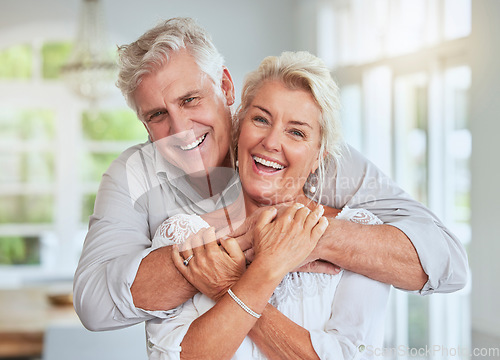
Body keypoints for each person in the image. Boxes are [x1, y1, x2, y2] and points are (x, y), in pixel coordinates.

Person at [73, 17, 468, 332]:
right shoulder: (132, 174)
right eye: (157, 115)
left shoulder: (308, 152)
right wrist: (257, 241)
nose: (180, 128)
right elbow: (94, 305)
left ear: (225, 86)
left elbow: (446, 262)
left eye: (190, 99)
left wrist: (308, 234)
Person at [145, 51, 391, 359]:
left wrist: (230, 285)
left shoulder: (360, 234)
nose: (272, 142)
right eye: (261, 119)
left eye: (296, 132)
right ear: (239, 129)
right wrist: (263, 273)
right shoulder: (183, 233)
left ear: (319, 157)